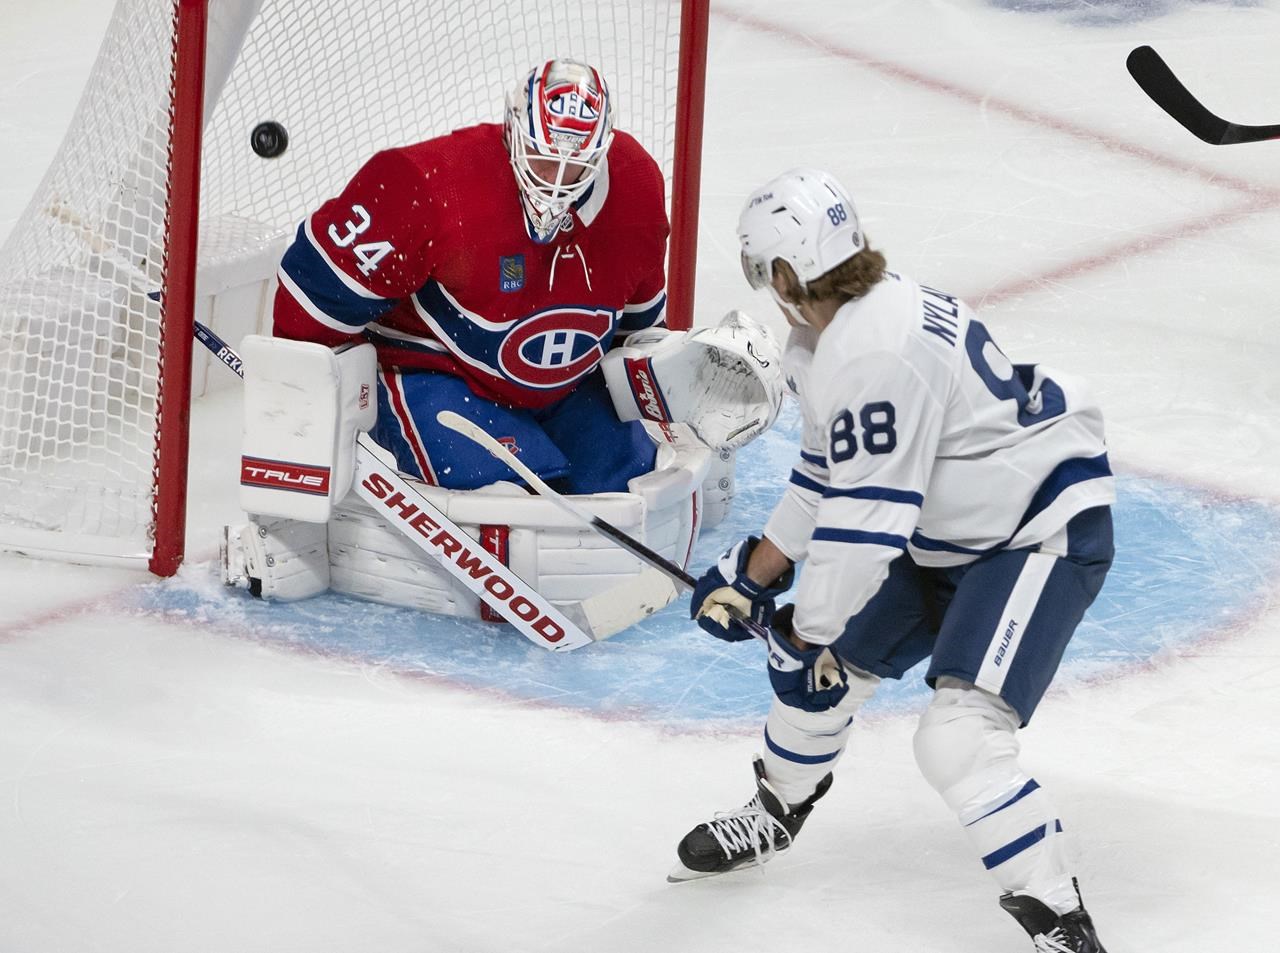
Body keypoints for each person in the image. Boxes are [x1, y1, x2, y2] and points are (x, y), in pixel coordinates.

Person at [671, 168, 1116, 953]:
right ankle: (776, 811)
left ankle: (1060, 920)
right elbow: (822, 477)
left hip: (1035, 529)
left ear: (784, 272)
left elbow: (864, 528)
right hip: (953, 529)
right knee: (827, 674)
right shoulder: (837, 333)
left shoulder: (872, 352)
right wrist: (756, 572)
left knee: (955, 737)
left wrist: (805, 635)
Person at [271, 57, 669, 494]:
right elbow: (312, 292)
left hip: (567, 387)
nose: (556, 180)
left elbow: (639, 331)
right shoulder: (431, 185)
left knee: (633, 485)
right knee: (512, 508)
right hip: (434, 372)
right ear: (513, 129)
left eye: (574, 163)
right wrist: (301, 408)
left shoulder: (635, 184)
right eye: (543, 155)